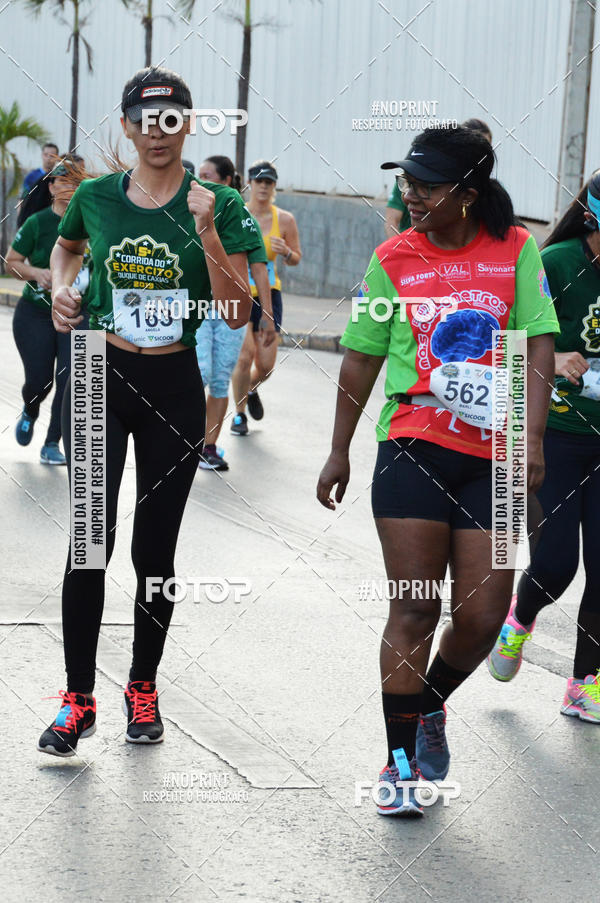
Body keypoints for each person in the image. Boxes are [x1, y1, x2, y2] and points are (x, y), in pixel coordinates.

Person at [317, 125, 559, 816]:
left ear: (468, 194)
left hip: (498, 454)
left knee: (482, 615)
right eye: (407, 182)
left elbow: (538, 339)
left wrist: (532, 437)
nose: (410, 194)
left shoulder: (516, 248)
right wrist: (339, 447)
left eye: (425, 184)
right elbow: (361, 354)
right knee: (416, 604)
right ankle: (398, 765)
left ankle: (427, 707)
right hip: (414, 442)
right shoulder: (393, 256)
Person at [37, 66, 258, 757]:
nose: (158, 132)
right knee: (90, 540)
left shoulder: (218, 203)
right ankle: (77, 699)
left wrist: (209, 234)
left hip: (172, 385)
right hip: (101, 369)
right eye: (145, 119)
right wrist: (63, 291)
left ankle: (143, 688)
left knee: (154, 549)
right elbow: (66, 249)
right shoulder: (98, 197)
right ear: (128, 126)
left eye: (172, 119)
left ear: (187, 124)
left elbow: (237, 309)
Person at [488, 172, 600, 721]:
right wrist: (550, 360)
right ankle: (520, 618)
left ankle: (585, 684)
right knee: (555, 565)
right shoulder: (554, 262)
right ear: (594, 217)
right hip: (554, 436)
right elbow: (505, 340)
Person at [7, 157, 91, 465]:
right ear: (52, 186)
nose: (70, 186)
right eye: (63, 180)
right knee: (41, 380)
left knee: (72, 379)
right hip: (36, 313)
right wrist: (37, 274)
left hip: (80, 317)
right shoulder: (38, 222)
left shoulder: (94, 222)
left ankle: (52, 443)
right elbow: (12, 261)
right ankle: (31, 407)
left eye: (76, 181)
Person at [195, 155, 271, 470]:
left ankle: (208, 446)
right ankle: (184, 440)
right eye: (198, 176)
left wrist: (266, 312)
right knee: (196, 374)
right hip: (195, 308)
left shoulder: (243, 219)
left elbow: (259, 269)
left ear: (226, 183)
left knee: (219, 378)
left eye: (208, 177)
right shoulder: (188, 212)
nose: (199, 182)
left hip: (229, 312)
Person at [230, 161, 301, 435]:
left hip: (269, 295)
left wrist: (285, 252)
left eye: (268, 182)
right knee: (244, 357)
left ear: (274, 186)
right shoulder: (236, 214)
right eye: (258, 181)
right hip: (240, 293)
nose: (263, 186)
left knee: (267, 365)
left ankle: (249, 389)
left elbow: (296, 258)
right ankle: (238, 416)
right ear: (249, 183)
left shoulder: (285, 220)